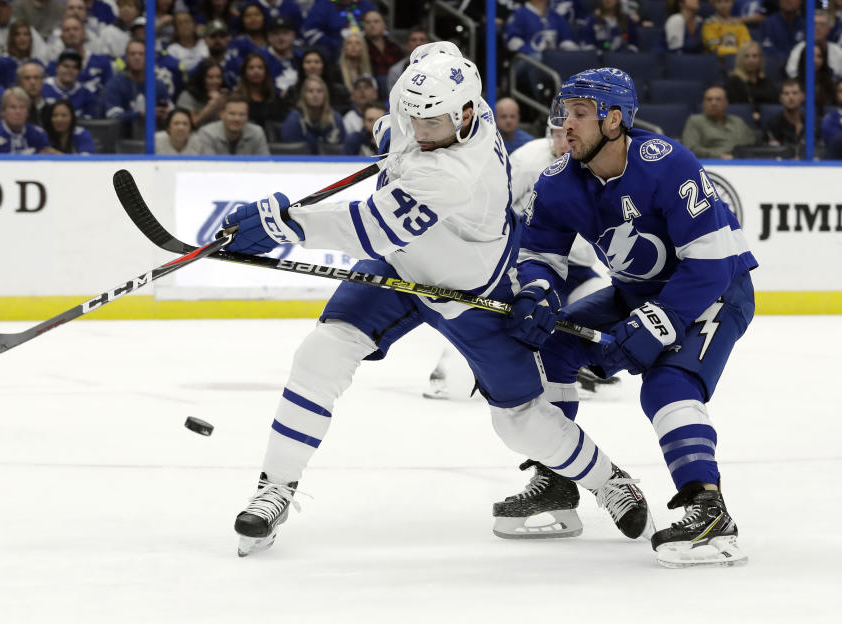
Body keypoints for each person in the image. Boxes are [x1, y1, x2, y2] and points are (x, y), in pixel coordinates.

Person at [223, 44, 652, 558]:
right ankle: (276, 489)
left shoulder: (458, 173)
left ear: (468, 114)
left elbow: (370, 228)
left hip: (473, 291)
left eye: (433, 123)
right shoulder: (427, 95)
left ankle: (609, 480)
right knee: (321, 353)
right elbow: (426, 72)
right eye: (414, 117)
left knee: (519, 422)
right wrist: (393, 130)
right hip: (402, 267)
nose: (420, 131)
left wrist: (282, 224)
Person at [503, 67, 756, 567]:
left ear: (614, 120)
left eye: (579, 115)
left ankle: (709, 507)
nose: (564, 126)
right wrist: (535, 290)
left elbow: (710, 266)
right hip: (635, 291)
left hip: (716, 291)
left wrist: (656, 322)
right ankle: (558, 478)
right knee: (553, 346)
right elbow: (539, 254)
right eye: (563, 115)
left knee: (666, 382)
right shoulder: (557, 181)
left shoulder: (668, 165)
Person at [424, 118, 616, 402]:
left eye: (569, 134)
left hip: (574, 265)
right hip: (527, 259)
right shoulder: (528, 161)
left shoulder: (596, 163)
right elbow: (496, 205)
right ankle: (446, 372)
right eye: (557, 134)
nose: (564, 141)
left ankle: (573, 367)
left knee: (601, 301)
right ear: (549, 135)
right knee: (488, 312)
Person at [104, 40, 171, 138]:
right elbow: (113, 117)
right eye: (132, 54)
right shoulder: (115, 83)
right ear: (126, 58)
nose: (137, 57)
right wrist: (141, 114)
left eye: (141, 54)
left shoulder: (158, 85)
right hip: (122, 140)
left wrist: (165, 114)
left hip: (153, 138)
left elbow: (171, 113)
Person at [681, 85, 756, 158]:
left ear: (726, 102)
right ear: (703, 103)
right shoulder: (695, 121)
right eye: (709, 99)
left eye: (718, 99)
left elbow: (752, 143)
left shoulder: (737, 121)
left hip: (741, 162)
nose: (714, 103)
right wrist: (718, 155)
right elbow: (690, 148)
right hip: (712, 164)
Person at [278, 74, 344, 153]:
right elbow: (292, 153)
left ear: (325, 95)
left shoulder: (336, 119)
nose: (315, 95)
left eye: (319, 91)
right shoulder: (294, 120)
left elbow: (343, 150)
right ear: (304, 95)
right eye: (310, 91)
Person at [0, 86, 50, 152]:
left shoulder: (38, 135)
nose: (18, 112)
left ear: (28, 113)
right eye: (12, 107)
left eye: (22, 107)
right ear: (2, 111)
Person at [302, 0, 378, 62]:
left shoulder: (365, 5)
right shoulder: (323, 6)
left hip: (367, 54)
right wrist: (336, 44)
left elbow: (379, 27)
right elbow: (310, 33)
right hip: (334, 56)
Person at [724, 40, 779, 123]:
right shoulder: (733, 83)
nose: (751, 60)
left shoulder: (767, 82)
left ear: (760, 59)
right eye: (746, 56)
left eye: (755, 56)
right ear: (740, 59)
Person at [196, 93, 270, 155]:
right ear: (222, 114)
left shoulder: (257, 133)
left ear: (247, 117)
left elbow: (266, 165)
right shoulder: (207, 133)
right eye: (232, 114)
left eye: (242, 114)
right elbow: (208, 166)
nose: (237, 119)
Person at [504, 0, 578, 59]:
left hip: (553, 60)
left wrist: (576, 53)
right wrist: (531, 52)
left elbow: (566, 40)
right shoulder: (520, 14)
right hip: (528, 60)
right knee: (537, 58)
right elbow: (512, 42)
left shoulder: (556, 16)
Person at [233, 51, 289, 128]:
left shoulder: (274, 97)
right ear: (244, 72)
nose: (256, 71)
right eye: (251, 68)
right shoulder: (236, 98)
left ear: (265, 71)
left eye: (260, 67)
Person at [41, 49, 99, 119]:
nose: (70, 70)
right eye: (66, 66)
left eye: (74, 67)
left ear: (79, 71)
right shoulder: (43, 87)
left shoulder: (85, 93)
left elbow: (91, 122)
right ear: (57, 67)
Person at [0, 18, 46, 88]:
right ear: (12, 38)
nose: (22, 38)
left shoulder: (38, 64)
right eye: (17, 34)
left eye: (26, 34)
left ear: (30, 38)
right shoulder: (1, 64)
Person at [177, 59, 228, 127]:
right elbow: (189, 125)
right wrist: (210, 107)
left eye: (218, 77)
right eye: (210, 77)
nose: (215, 81)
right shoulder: (187, 96)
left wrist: (221, 107)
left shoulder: (224, 95)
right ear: (201, 78)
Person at [362, 9, 402, 92]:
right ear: (364, 27)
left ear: (384, 25)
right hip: (370, 87)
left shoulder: (394, 47)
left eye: (376, 22)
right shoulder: (360, 46)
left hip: (396, 85)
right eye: (368, 22)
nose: (372, 25)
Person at [765, 78, 806, 151]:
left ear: (802, 97)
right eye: (786, 94)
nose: (791, 97)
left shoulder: (812, 124)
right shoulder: (773, 126)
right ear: (781, 98)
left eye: (795, 93)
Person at [386, 27, 428, 92]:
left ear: (429, 44)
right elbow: (394, 97)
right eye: (413, 40)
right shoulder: (396, 70)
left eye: (422, 40)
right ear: (408, 45)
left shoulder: (439, 66)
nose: (418, 43)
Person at [166, 10, 208, 75]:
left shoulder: (204, 43)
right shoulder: (172, 49)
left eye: (187, 21)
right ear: (176, 30)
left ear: (194, 25)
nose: (185, 25)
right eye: (180, 23)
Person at [17, 60, 47, 125]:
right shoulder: (15, 111)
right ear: (19, 82)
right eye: (27, 78)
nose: (32, 82)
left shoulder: (51, 111)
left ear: (42, 82)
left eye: (36, 78)